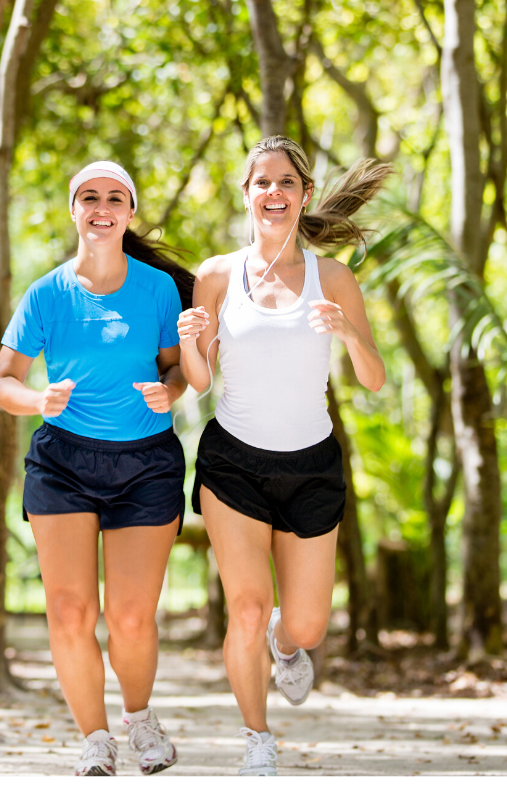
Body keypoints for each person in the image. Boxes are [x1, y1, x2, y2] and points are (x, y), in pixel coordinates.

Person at [177, 136, 391, 776]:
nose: (274, 193)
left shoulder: (335, 277)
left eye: (286, 184)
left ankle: (284, 643)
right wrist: (192, 340)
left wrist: (349, 331)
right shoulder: (217, 275)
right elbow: (198, 380)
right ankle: (257, 737)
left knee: (308, 625)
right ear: (246, 194)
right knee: (243, 605)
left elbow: (374, 377)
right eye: (262, 183)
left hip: (311, 466)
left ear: (302, 196)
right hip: (232, 464)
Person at [0, 161, 194, 776]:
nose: (101, 207)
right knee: (70, 613)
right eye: (89, 197)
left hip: (146, 465)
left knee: (130, 618)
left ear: (129, 213)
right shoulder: (47, 294)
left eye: (114, 198)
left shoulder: (158, 289)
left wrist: (174, 391)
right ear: (74, 211)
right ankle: (95, 738)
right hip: (63, 463)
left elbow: (175, 368)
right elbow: (3, 383)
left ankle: (139, 717)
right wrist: (36, 401)